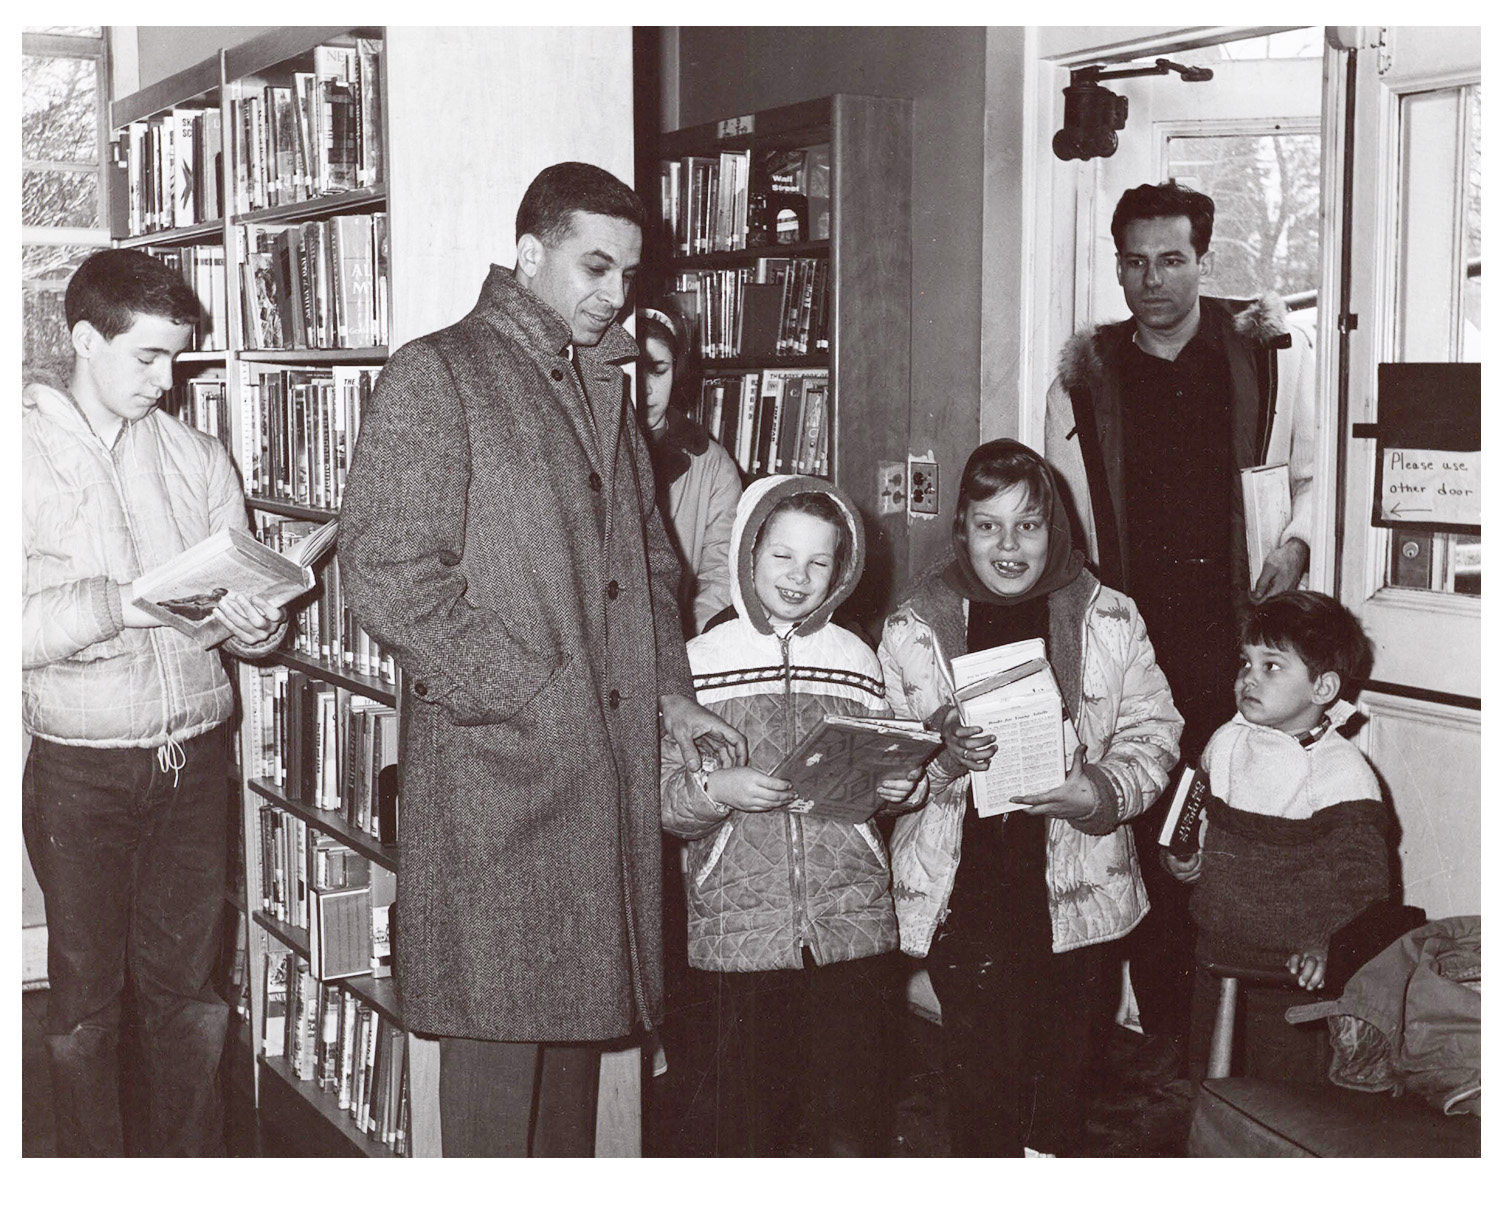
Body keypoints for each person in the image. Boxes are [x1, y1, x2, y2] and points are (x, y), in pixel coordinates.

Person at [336, 162, 745, 1157]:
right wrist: (533, 693)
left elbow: (650, 566)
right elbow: (387, 572)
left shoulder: (603, 378)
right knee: (493, 1081)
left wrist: (670, 699)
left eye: (627, 274)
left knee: (567, 1086)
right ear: (529, 254)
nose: (615, 295)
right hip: (500, 787)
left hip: (597, 781)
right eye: (594, 266)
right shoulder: (439, 371)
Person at [1044, 181, 1318, 1067]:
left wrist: (1299, 549)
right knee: (1138, 823)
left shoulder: (1268, 354)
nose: (1152, 279)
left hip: (1235, 640)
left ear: (1204, 257)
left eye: (1171, 259)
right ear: (1117, 265)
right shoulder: (1086, 376)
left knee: (1221, 829)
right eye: (1134, 261)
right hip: (1130, 643)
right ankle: (1155, 1033)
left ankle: (1222, 1046)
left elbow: (1313, 475)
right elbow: (1065, 518)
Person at [23, 248, 288, 1155]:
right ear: (83, 340)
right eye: (146, 358)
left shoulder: (197, 455)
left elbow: (238, 615)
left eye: (175, 357)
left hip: (194, 761)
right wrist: (117, 603)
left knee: (191, 1001)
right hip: (80, 767)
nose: (166, 379)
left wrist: (257, 628)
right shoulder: (18, 457)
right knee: (85, 1008)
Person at [879, 439, 1182, 1156]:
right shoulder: (912, 626)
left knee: (1063, 1080)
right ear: (962, 530)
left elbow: (1156, 730)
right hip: (967, 894)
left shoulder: (1108, 616)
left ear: (1057, 529)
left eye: (1029, 525)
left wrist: (1103, 790)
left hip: (1078, 890)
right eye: (988, 526)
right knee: (981, 1082)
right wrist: (942, 758)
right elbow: (888, 769)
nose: (1008, 544)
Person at [659, 475, 926, 1156]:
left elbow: (886, 775)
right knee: (746, 1128)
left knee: (849, 1119)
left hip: (853, 926)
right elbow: (665, 802)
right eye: (781, 556)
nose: (799, 577)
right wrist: (717, 789)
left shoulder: (856, 661)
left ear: (843, 569)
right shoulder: (696, 667)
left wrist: (900, 789)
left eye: (819, 561)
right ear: (747, 553)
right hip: (736, 934)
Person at [1163, 591, 1391, 1083]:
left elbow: (1364, 881)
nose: (1249, 677)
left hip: (1288, 972)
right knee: (1210, 1082)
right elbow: (1201, 818)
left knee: (1277, 1095)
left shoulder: (1339, 773)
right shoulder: (1228, 740)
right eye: (1246, 662)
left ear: (1323, 687)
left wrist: (1325, 943)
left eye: (1272, 667)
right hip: (1217, 953)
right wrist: (1188, 859)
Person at [637, 305, 741, 635]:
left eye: (658, 370)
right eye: (635, 373)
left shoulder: (712, 465)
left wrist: (680, 649)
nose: (647, 389)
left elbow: (722, 575)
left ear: (676, 372)